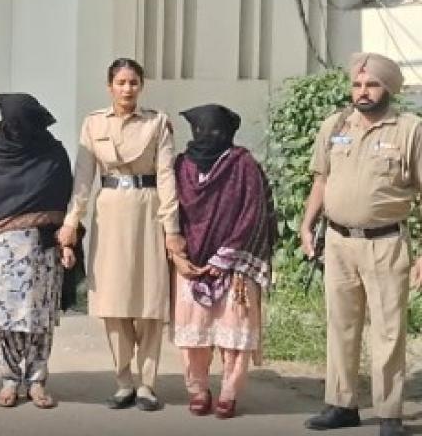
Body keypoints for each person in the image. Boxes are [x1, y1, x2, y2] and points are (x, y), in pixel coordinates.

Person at [300, 53, 422, 436]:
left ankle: (389, 414)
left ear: (389, 88)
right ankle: (342, 404)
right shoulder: (335, 125)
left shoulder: (409, 130)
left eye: (371, 85)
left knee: (388, 331)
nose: (362, 92)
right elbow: (321, 180)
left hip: (385, 243)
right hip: (338, 242)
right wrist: (307, 225)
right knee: (341, 325)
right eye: (357, 84)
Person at [57, 57, 185, 412]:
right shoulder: (94, 123)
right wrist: (71, 221)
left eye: (133, 82)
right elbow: (84, 177)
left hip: (148, 210)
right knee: (113, 300)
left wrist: (172, 229)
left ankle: (147, 384)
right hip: (110, 210)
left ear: (141, 86)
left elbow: (167, 177)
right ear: (109, 86)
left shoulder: (157, 123)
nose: (127, 89)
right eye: (121, 83)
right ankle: (123, 380)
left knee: (149, 300)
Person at [169, 104, 275, 420]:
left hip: (235, 263)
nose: (208, 135)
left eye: (215, 130)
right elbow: (171, 211)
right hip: (190, 262)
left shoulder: (243, 164)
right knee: (194, 331)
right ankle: (198, 390)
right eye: (201, 129)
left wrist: (225, 256)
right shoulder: (181, 165)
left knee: (235, 330)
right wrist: (179, 254)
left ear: (228, 132)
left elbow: (254, 213)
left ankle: (229, 393)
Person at [0, 93, 74, 410]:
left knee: (38, 316)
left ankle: (36, 380)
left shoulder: (53, 153)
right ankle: (8, 379)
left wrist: (67, 242)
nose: (14, 127)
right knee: (3, 316)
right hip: (1, 248)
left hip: (43, 247)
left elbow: (65, 198)